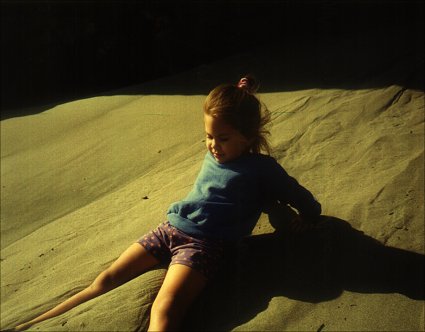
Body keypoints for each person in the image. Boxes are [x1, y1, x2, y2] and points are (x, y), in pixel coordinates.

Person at [9, 76, 321, 331]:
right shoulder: (219, 152)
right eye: (208, 136)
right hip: (168, 228)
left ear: (248, 135)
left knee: (165, 310)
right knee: (105, 280)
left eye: (223, 138)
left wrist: (309, 214)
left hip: (204, 247)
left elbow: (296, 193)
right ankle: (33, 324)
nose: (214, 146)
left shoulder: (262, 168)